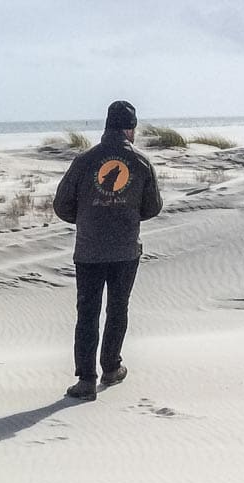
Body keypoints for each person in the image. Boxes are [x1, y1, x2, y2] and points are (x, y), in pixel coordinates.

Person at [52, 100, 163, 399]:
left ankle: (87, 380)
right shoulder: (140, 163)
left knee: (87, 313)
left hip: (89, 250)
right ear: (130, 130)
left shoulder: (84, 161)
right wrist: (125, 215)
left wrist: (87, 218)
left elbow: (61, 205)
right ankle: (111, 368)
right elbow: (153, 206)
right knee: (117, 308)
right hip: (125, 250)